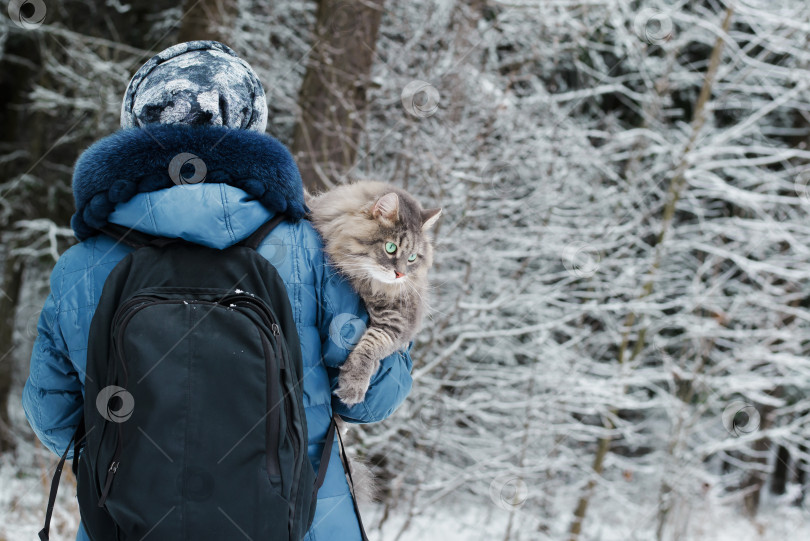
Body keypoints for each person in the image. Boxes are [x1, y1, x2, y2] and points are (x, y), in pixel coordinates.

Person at [22, 40, 413, 541]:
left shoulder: (82, 265)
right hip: (299, 523)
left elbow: (56, 422)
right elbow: (369, 400)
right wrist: (396, 324)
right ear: (252, 123)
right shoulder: (315, 251)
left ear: (137, 124)